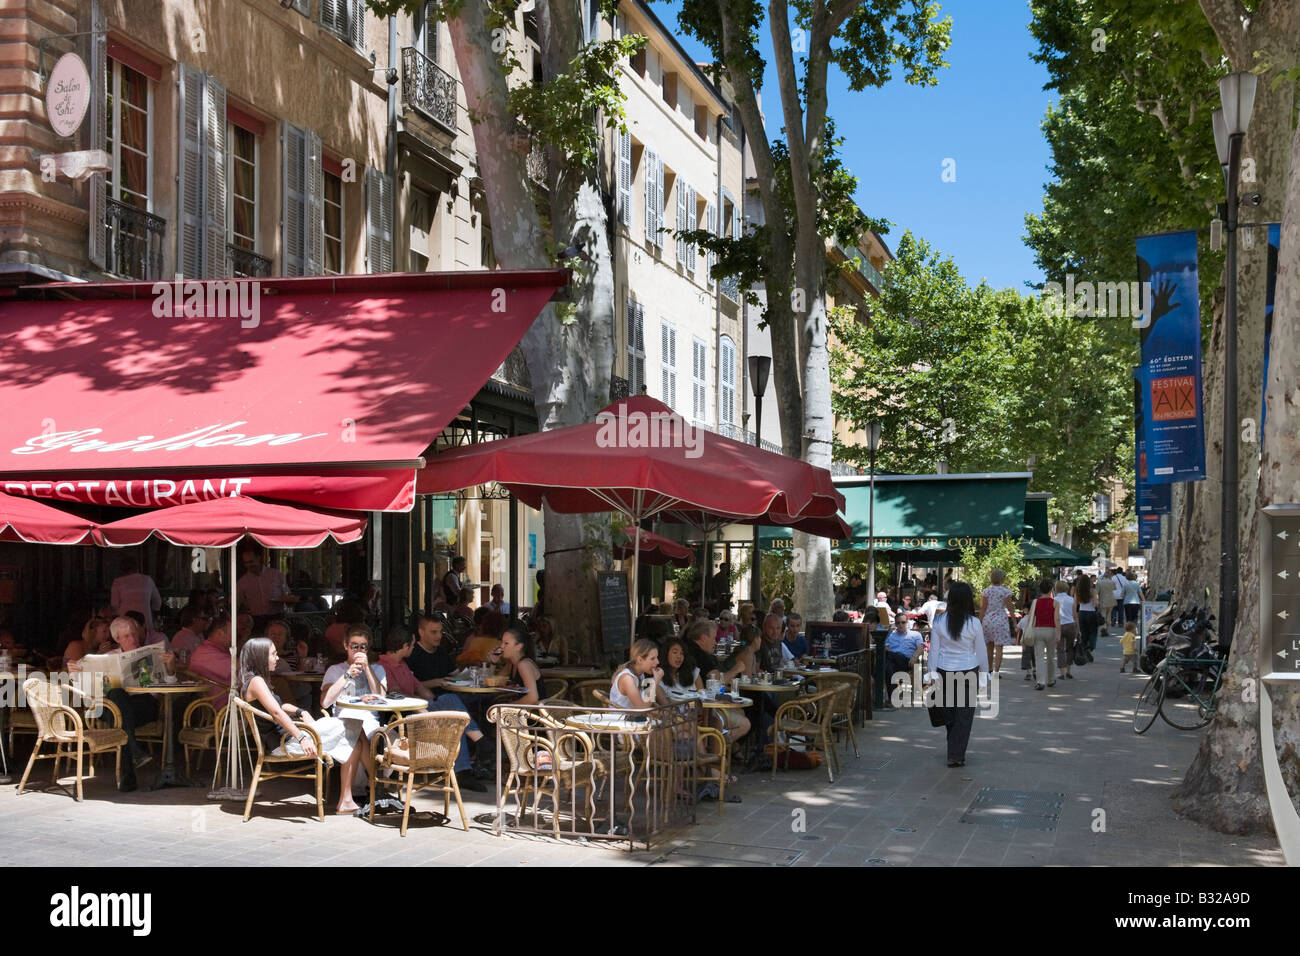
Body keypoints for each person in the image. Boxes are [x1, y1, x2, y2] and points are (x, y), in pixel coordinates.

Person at [378, 625, 489, 791]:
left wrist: (434, 704)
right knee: (451, 706)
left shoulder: (403, 665)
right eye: (412, 645)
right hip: (404, 718)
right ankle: (480, 747)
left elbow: (424, 691)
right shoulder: (383, 666)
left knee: (452, 709)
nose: (414, 648)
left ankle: (467, 767)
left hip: (418, 710)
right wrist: (426, 708)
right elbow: (397, 696)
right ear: (404, 646)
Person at [67, 616, 173, 791]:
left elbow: (169, 685)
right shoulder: (108, 657)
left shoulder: (151, 654)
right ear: (117, 639)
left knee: (121, 716)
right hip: (112, 708)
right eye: (127, 636)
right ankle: (134, 750)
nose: (133, 639)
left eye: (134, 634)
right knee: (117, 696)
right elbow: (84, 688)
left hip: (143, 706)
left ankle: (130, 768)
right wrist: (74, 673)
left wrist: (170, 667)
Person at [320, 625, 387, 813]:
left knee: (361, 732)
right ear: (345, 646)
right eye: (354, 646)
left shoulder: (377, 669)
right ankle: (377, 787)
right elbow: (325, 702)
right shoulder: (335, 670)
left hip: (369, 721)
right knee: (355, 730)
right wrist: (347, 675)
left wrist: (366, 668)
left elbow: (382, 696)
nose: (358, 650)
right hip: (344, 719)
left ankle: (351, 797)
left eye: (363, 647)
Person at [925, 581, 987, 767]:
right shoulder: (974, 623)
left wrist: (931, 673)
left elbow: (934, 651)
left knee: (950, 712)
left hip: (944, 670)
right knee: (964, 714)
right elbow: (981, 651)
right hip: (968, 670)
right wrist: (985, 674)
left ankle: (954, 748)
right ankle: (955, 753)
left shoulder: (938, 621)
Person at [237, 547, 295, 631]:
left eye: (251, 562)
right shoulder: (242, 582)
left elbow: (287, 595)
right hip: (256, 620)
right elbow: (237, 603)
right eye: (246, 563)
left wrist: (288, 600)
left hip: (277, 617)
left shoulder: (276, 575)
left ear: (258, 558)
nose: (249, 565)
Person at [608, 638, 669, 708]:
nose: (657, 662)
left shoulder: (640, 674)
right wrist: (656, 681)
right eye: (652, 658)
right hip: (620, 718)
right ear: (640, 660)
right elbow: (641, 708)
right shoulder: (627, 678)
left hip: (633, 717)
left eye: (657, 657)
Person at [189, 615, 236, 706]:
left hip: (231, 702)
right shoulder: (206, 652)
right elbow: (241, 665)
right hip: (226, 707)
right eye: (233, 633)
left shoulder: (213, 650)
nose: (235, 638)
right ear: (220, 633)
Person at [110, 554, 162, 634]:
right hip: (146, 622)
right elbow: (157, 602)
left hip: (125, 623)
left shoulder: (118, 582)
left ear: (122, 569)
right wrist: (153, 613)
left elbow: (114, 605)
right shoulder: (147, 580)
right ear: (137, 567)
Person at [489, 626, 541, 705]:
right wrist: (493, 663)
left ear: (518, 647)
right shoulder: (511, 664)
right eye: (502, 642)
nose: (502, 646)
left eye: (506, 643)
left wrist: (507, 707)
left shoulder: (524, 665)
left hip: (532, 713)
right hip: (521, 710)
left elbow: (533, 698)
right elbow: (494, 683)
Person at [979, 568, 1016, 677]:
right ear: (1002, 579)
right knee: (999, 647)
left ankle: (989, 669)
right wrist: (1014, 621)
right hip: (1000, 620)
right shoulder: (1006, 592)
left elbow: (983, 608)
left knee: (989, 646)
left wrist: (979, 621)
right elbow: (1010, 608)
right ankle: (996, 671)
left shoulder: (986, 591)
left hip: (988, 620)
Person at [1025, 578, 1061, 690]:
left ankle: (1040, 681)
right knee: (1051, 656)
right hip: (1051, 630)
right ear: (1051, 589)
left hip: (1038, 630)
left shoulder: (1035, 602)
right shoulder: (1055, 603)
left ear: (1040, 590)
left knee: (1039, 656)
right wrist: (1058, 633)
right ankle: (1051, 679)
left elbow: (1030, 617)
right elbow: (1057, 619)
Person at [884, 611, 926, 696]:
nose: (900, 625)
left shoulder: (915, 634)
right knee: (888, 666)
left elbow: (920, 649)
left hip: (907, 661)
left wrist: (914, 657)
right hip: (892, 661)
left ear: (907, 623)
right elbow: (886, 647)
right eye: (898, 623)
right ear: (895, 624)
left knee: (888, 657)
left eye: (903, 622)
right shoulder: (891, 636)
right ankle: (892, 696)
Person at [1054, 580, 1078, 681]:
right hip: (1070, 625)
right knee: (1070, 648)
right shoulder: (1071, 599)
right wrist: (1078, 628)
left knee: (1060, 649)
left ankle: (1062, 673)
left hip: (1059, 625)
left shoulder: (1054, 600)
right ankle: (1069, 671)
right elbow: (1075, 615)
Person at [1075, 574, 1100, 656]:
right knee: (1093, 632)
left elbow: (1075, 605)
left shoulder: (1077, 592)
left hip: (1081, 613)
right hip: (1091, 613)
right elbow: (1096, 604)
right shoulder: (1093, 591)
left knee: (1084, 632)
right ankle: (1090, 647)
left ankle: (1084, 647)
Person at [1096, 568, 1117, 636]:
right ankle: (1107, 629)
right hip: (1111, 601)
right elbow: (1114, 589)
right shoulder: (1112, 582)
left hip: (1102, 600)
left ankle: (1103, 628)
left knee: (1103, 615)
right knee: (1109, 615)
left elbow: (1097, 592)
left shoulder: (1099, 582)